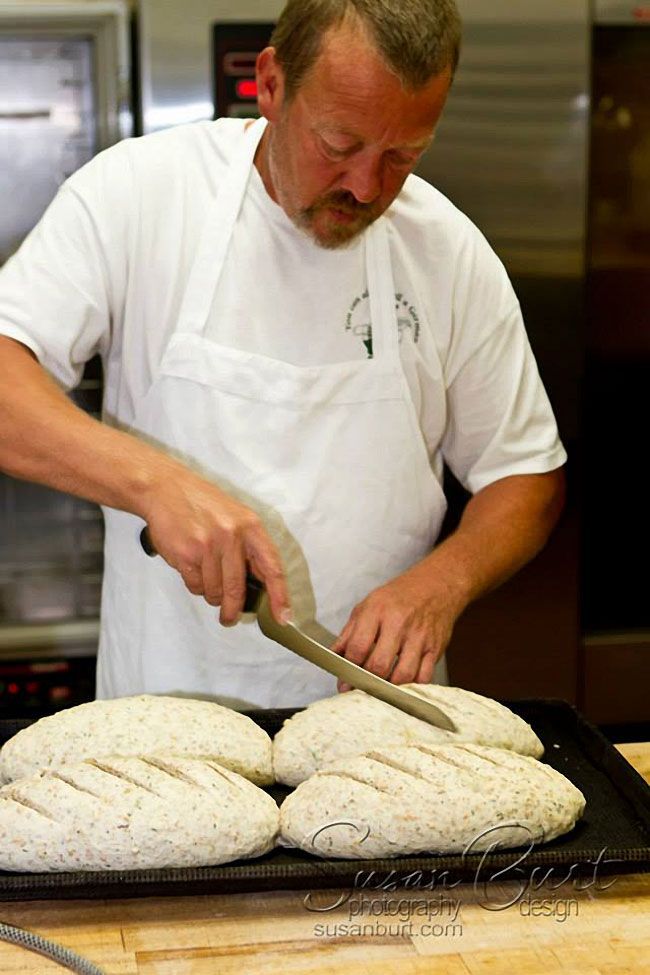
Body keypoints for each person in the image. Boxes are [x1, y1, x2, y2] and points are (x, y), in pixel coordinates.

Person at [0, 0, 566, 709]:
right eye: (339, 144)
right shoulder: (139, 195)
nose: (366, 186)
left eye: (403, 155)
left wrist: (442, 583)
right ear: (271, 84)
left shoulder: (449, 251)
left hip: (380, 723)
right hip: (165, 732)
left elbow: (525, 476)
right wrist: (155, 483)